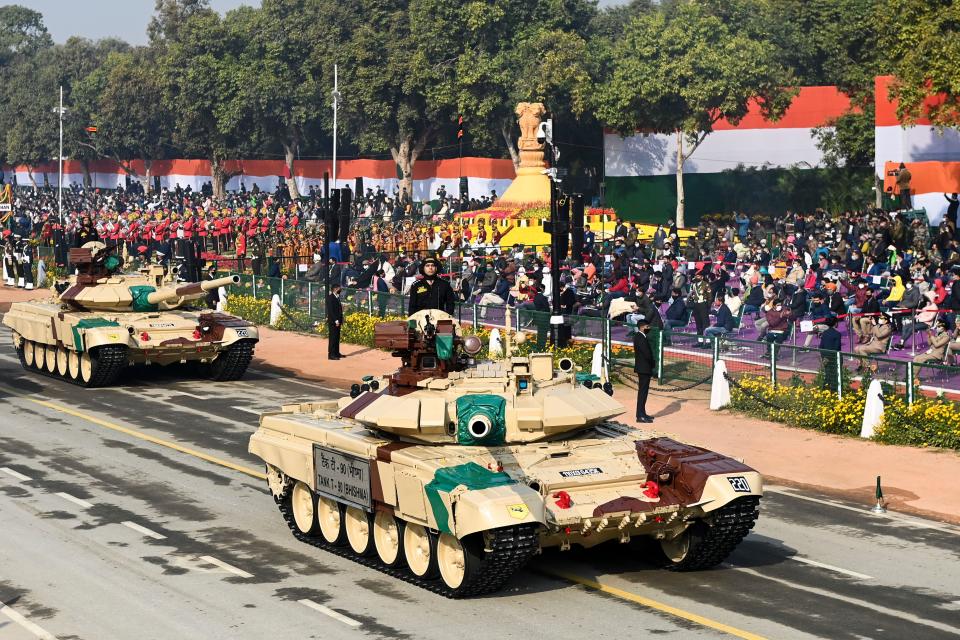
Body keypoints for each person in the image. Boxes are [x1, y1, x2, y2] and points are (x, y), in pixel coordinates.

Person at [632, 318, 655, 423]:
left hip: (643, 368)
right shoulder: (640, 338)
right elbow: (647, 354)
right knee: (642, 392)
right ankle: (640, 415)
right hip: (644, 368)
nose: (648, 328)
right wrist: (652, 363)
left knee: (643, 392)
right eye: (647, 326)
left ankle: (642, 413)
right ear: (642, 327)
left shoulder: (640, 336)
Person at [326, 282, 344, 360]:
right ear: (335, 289)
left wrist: (341, 319)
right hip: (333, 321)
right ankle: (331, 354)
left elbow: (339, 309)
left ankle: (336, 352)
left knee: (337, 337)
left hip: (338, 320)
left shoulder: (337, 297)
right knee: (333, 338)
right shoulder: (330, 298)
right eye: (339, 288)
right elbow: (331, 311)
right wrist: (336, 320)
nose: (340, 289)